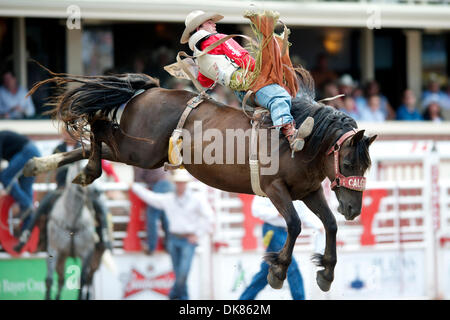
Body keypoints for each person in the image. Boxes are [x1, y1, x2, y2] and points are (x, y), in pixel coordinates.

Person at [180, 10, 314, 153]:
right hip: (253, 84)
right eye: (209, 22)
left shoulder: (199, 58)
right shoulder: (218, 39)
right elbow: (242, 58)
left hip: (241, 94)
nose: (214, 24)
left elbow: (205, 83)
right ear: (198, 28)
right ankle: (291, 135)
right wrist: (264, 72)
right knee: (280, 97)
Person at [14, 128, 114, 253]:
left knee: (100, 206)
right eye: (65, 132)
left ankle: (104, 237)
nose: (67, 135)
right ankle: (26, 236)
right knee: (42, 205)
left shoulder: (84, 148)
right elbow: (53, 167)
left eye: (69, 132)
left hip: (81, 188)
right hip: (62, 187)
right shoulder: (58, 149)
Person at [131, 169, 214, 300]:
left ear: (186, 184)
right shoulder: (169, 198)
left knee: (182, 273)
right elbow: (151, 198)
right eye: (178, 183)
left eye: (182, 183)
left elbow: (209, 217)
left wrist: (198, 234)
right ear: (175, 184)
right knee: (180, 274)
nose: (180, 185)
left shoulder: (195, 198)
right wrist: (135, 188)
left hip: (187, 240)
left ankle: (172, 296)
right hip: (174, 239)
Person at [239, 196, 325, 300]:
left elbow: (302, 213)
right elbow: (256, 209)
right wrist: (276, 213)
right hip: (272, 231)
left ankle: (244, 299)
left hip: (284, 232)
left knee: (266, 271)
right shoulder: (269, 185)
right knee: (291, 266)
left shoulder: (295, 190)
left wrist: (318, 225)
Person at [0, 131, 41, 232]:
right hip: (34, 152)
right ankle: (26, 231)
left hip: (28, 152)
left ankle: (27, 206)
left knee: (5, 177)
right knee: (25, 188)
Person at [133, 166, 174, 255]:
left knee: (152, 215)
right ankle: (169, 246)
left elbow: (137, 178)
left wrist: (133, 185)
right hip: (167, 182)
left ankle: (151, 246)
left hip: (159, 184)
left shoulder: (139, 157)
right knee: (166, 216)